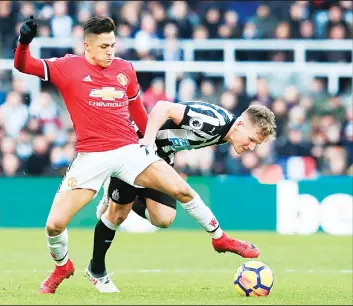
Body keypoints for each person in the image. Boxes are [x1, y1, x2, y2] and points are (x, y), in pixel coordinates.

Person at [14, 15, 267, 295]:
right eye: (104, 47)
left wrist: (150, 149)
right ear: (87, 46)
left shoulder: (125, 69)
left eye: (113, 45)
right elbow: (23, 65)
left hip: (129, 150)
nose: (110, 52)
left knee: (182, 191)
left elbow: (139, 114)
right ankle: (62, 267)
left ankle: (221, 239)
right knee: (54, 225)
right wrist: (24, 42)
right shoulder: (67, 67)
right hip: (92, 155)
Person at [88, 100, 277, 292]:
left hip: (161, 156)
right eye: (252, 139)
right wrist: (148, 139)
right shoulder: (212, 122)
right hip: (135, 146)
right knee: (170, 196)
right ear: (240, 125)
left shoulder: (227, 132)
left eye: (256, 144)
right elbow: (163, 107)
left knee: (163, 218)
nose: (251, 147)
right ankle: (96, 270)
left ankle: (114, 193)